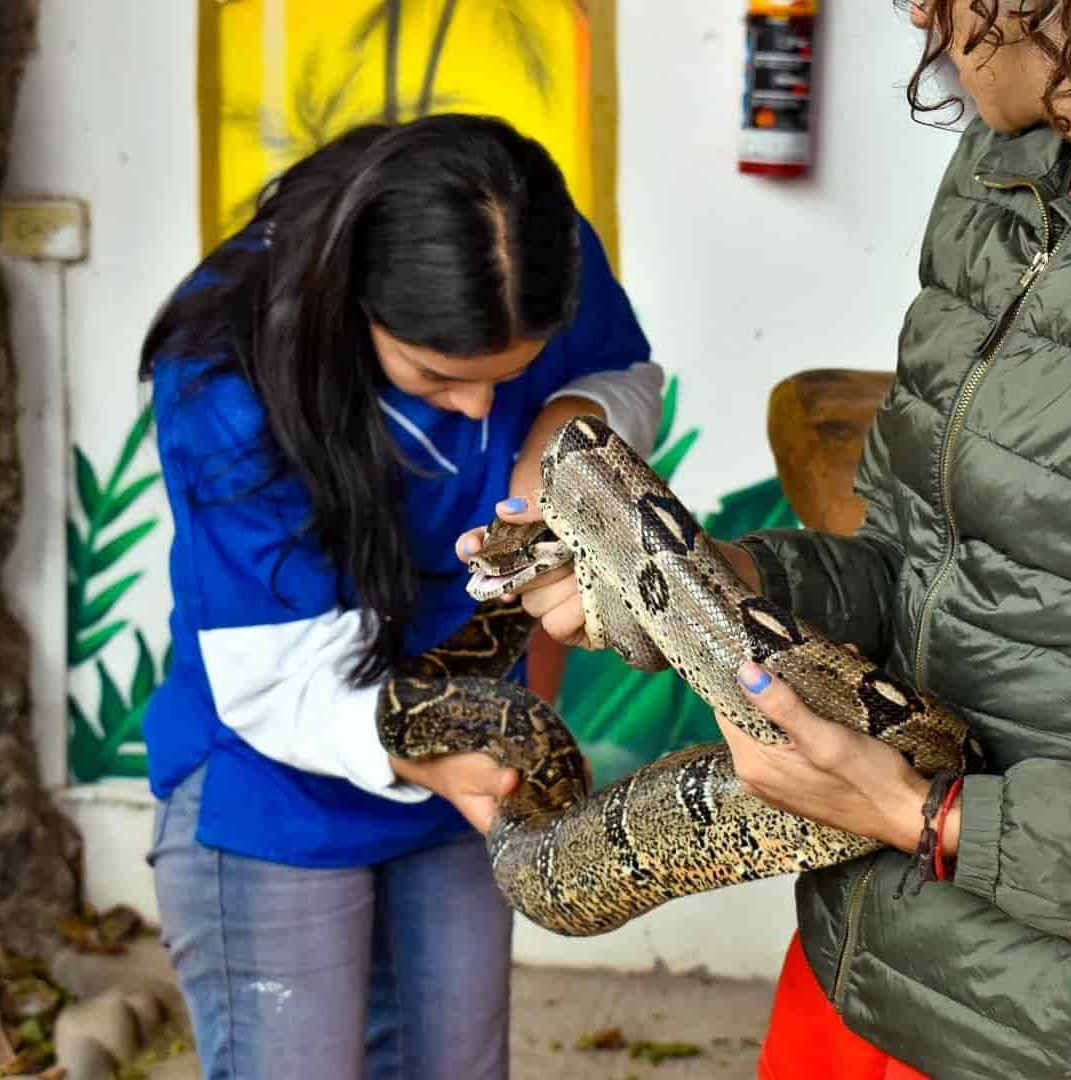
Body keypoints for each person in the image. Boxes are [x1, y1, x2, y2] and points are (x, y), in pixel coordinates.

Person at [471, 3, 1071, 1077]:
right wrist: (707, 584)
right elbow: (906, 564)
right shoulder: (1006, 158)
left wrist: (928, 816)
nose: (919, 12)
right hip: (862, 973)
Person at [138, 113, 660, 1080]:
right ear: (352, 302)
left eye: (505, 379)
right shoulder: (225, 373)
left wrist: (564, 433)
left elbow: (623, 373)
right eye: (437, 377)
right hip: (277, 774)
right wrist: (443, 762)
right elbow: (276, 678)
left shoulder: (533, 257)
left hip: (467, 752)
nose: (475, 412)